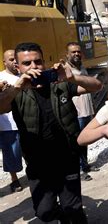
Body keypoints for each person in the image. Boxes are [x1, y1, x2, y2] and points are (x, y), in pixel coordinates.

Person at [0, 42, 102, 223]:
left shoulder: (59, 83)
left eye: (37, 62)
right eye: (27, 63)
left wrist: (73, 78)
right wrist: (17, 86)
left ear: (44, 61)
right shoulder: (15, 91)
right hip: (37, 161)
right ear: (17, 66)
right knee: (44, 212)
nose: (34, 67)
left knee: (74, 209)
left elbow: (97, 85)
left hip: (66, 156)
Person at [66, 42, 99, 181]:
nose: (76, 54)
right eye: (73, 52)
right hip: (76, 113)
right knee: (76, 143)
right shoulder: (66, 70)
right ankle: (80, 169)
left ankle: (85, 166)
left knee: (84, 141)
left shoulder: (82, 68)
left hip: (86, 111)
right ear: (67, 54)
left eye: (78, 51)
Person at [0, 50, 23, 193]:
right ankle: (14, 179)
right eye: (11, 59)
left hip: (25, 122)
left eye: (16, 59)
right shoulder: (0, 77)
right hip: (7, 125)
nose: (14, 61)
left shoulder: (24, 75)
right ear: (4, 62)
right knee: (11, 154)